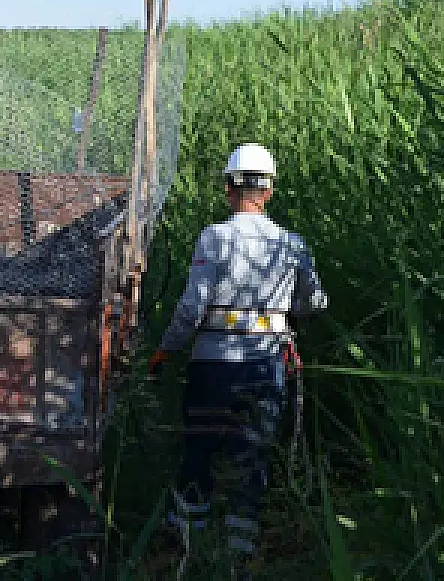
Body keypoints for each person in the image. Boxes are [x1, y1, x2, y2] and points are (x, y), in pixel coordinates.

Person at [149, 142, 329, 573]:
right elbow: (315, 302)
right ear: (269, 191)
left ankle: (187, 553)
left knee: (199, 451)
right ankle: (239, 558)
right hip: (267, 366)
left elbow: (193, 306)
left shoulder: (215, 237)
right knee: (253, 457)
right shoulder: (292, 244)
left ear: (229, 188)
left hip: (212, 366)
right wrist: (282, 312)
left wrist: (166, 350)